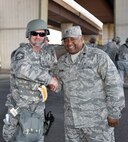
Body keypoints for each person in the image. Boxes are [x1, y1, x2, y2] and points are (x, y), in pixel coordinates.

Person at [53, 26, 125, 142]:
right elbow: (59, 85)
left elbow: (114, 85)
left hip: (97, 122)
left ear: (81, 39)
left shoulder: (98, 56)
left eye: (73, 39)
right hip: (72, 123)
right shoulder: (62, 62)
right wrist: (51, 84)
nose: (69, 43)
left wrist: (114, 112)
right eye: (66, 40)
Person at [2, 19, 58, 142]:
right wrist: (49, 79)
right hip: (19, 106)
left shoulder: (46, 55)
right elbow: (22, 70)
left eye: (42, 34)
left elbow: (54, 71)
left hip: (38, 106)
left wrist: (54, 84)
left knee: (36, 136)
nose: (38, 37)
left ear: (45, 36)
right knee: (11, 137)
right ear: (28, 35)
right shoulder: (21, 53)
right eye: (34, 34)